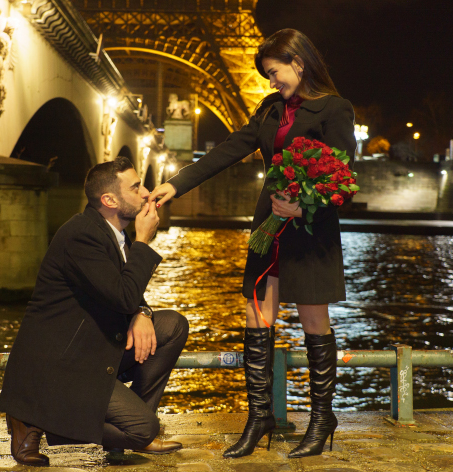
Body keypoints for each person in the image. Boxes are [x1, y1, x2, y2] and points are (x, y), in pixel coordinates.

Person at [150, 29, 357, 459]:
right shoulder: (270, 109)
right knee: (255, 315)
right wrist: (175, 185)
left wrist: (303, 207)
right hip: (268, 222)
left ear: (298, 62)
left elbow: (344, 179)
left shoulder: (335, 109)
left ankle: (322, 419)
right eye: (266, 75)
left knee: (313, 322)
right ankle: (259, 415)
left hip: (308, 228)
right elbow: (228, 150)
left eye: (274, 72)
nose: (271, 81)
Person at [0, 157, 189, 466]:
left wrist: (143, 312)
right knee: (143, 429)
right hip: (63, 365)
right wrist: (144, 239)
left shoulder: (114, 235)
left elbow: (126, 295)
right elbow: (123, 294)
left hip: (92, 350)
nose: (146, 193)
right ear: (110, 200)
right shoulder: (81, 235)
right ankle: (47, 422)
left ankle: (136, 425)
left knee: (172, 326)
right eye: (136, 187)